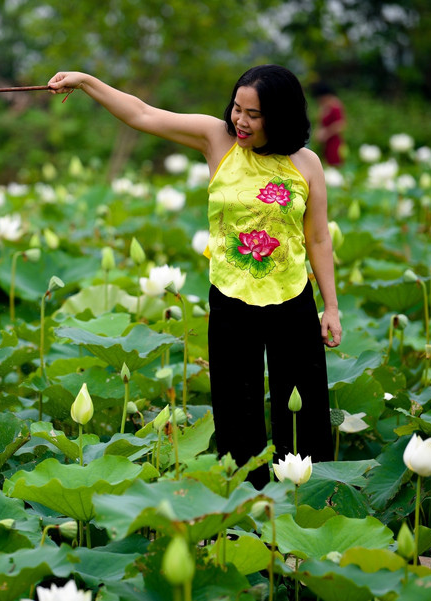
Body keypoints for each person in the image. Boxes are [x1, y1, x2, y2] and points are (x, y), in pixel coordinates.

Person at [48, 66, 342, 488]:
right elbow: (142, 113)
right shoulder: (216, 138)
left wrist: (330, 307)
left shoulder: (306, 163)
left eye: (253, 115)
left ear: (278, 116)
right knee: (236, 412)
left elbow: (317, 239)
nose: (240, 120)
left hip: (292, 298)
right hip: (231, 298)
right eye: (237, 109)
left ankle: (311, 506)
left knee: (304, 412)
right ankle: (245, 515)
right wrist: (86, 82)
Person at [310, 82, 345, 167]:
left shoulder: (335, 105)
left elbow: (340, 124)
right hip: (325, 143)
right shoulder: (325, 106)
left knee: (335, 164)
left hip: (333, 141)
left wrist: (326, 133)